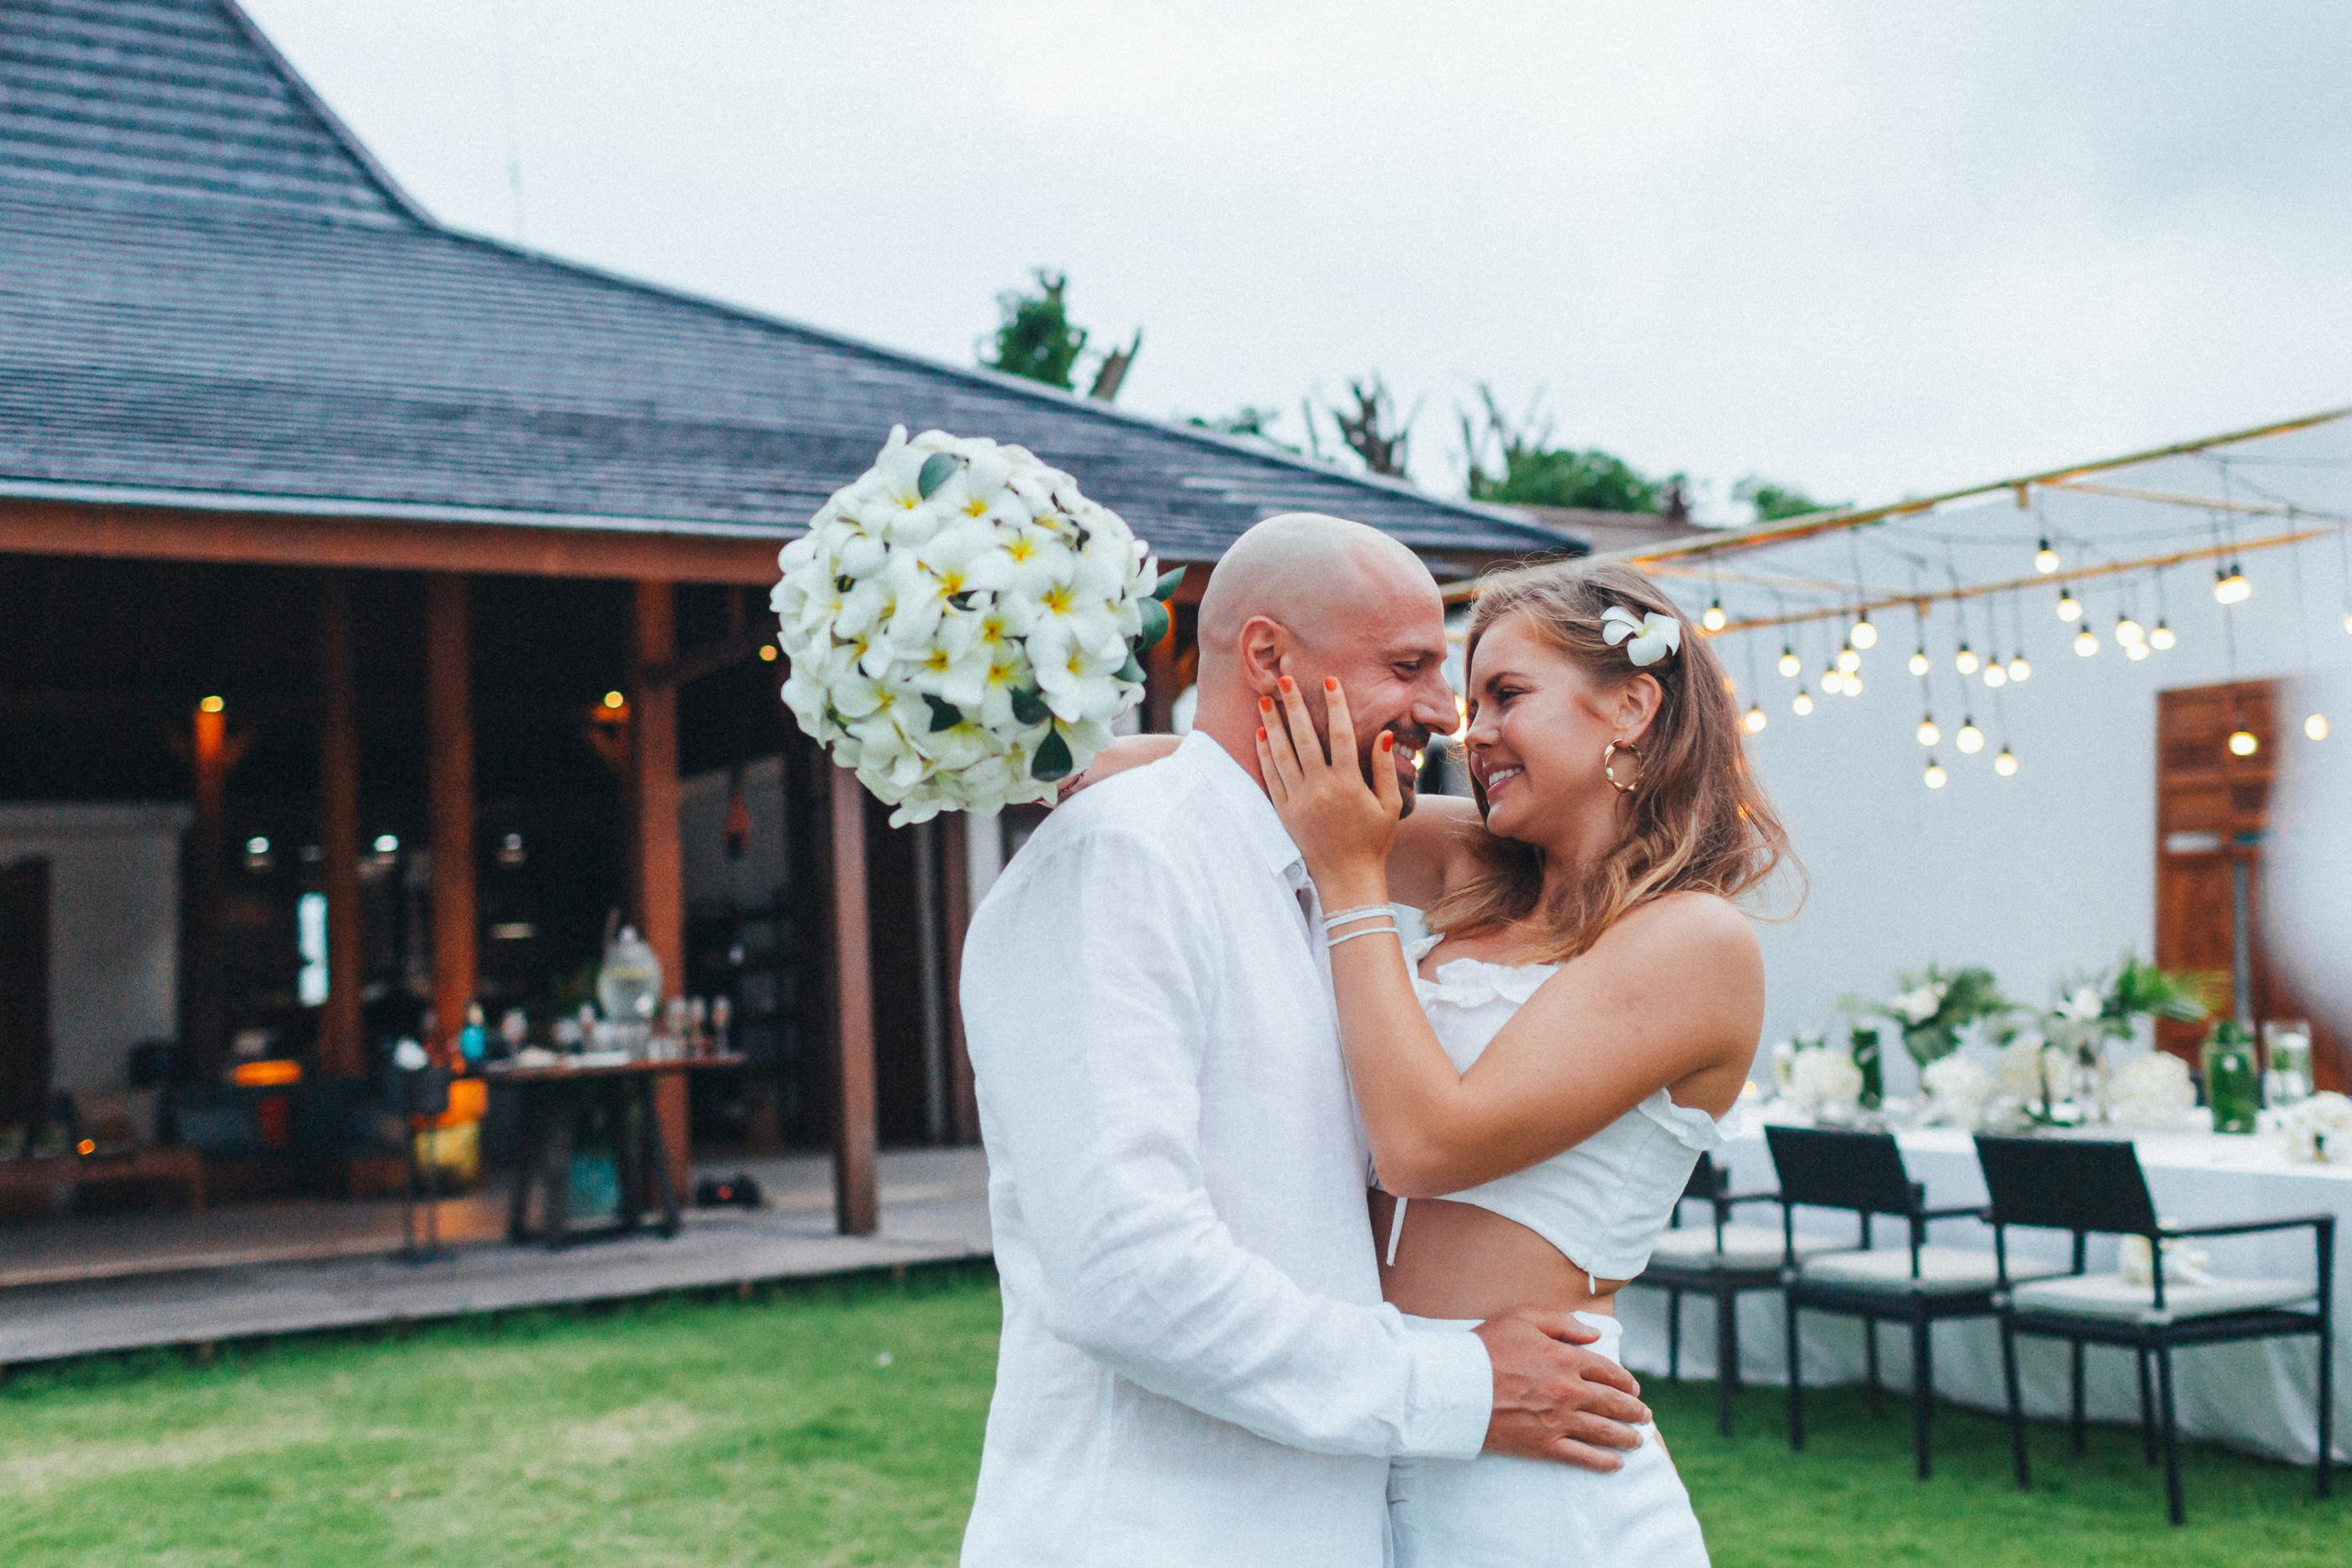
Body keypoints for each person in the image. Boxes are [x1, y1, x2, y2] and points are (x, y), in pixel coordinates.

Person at [957, 515, 1654, 1568]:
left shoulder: (1325, 875)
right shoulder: (1121, 861)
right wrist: (1459, 1383)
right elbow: (1128, 1271)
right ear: (1270, 660)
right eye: (1409, 665)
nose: (1443, 712)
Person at [1074, 557, 1790, 1563]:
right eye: (1468, 697)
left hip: (1538, 1477)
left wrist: (1350, 875)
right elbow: (1227, 780)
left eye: (1506, 695)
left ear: (1630, 706)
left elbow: (1424, 1144)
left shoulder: (1694, 941)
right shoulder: (1474, 866)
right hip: (1379, 1432)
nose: (1468, 729)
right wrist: (1009, 743)